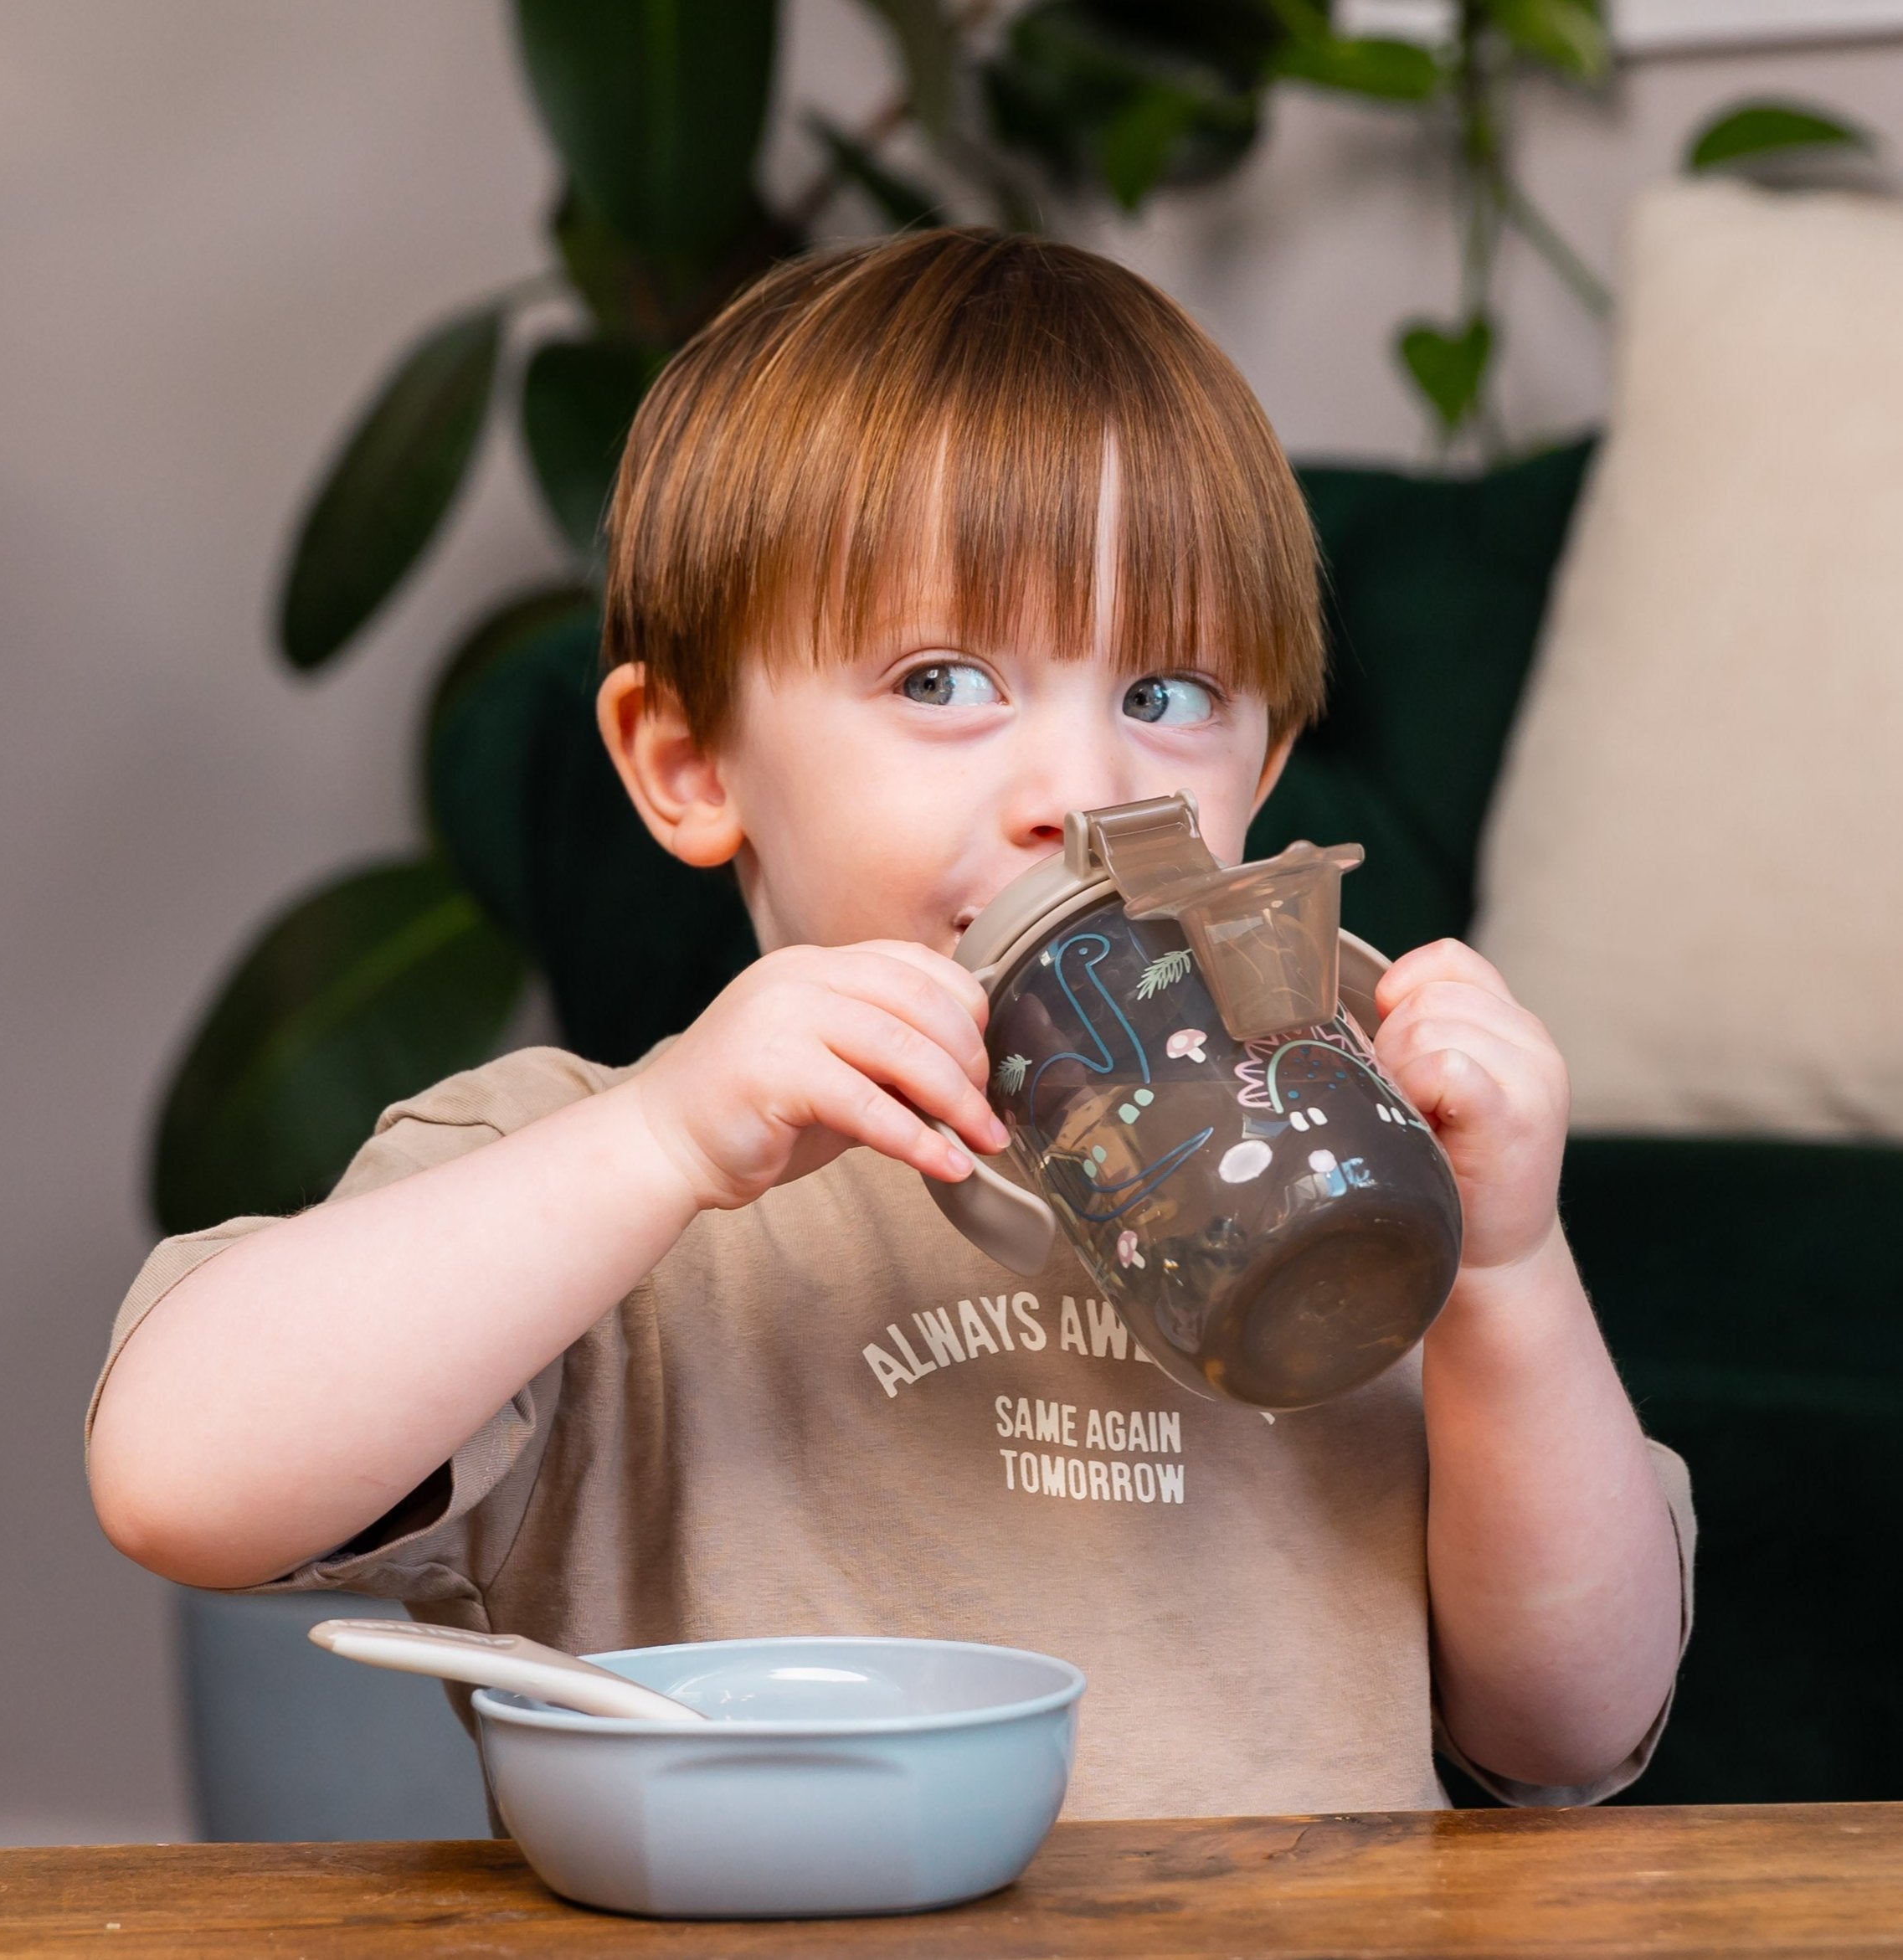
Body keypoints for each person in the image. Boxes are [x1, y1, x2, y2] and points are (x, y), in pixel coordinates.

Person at [88, 229, 1690, 1819]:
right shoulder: (582, 1173)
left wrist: (1504, 1268)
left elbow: (1569, 1729)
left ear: (1259, 778)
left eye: (1165, 697)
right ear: (689, 763)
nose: (1082, 791)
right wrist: (658, 1147)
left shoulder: (1339, 1177)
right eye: (941, 680)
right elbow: (179, 1481)